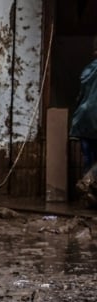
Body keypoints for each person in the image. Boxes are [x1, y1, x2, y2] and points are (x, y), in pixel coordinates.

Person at [71, 39, 97, 206]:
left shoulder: (87, 69)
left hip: (83, 119)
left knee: (89, 159)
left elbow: (80, 96)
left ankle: (88, 196)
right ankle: (88, 184)